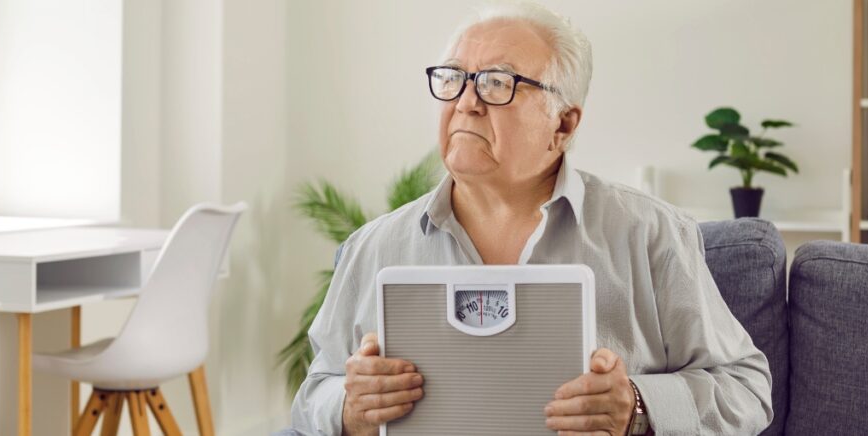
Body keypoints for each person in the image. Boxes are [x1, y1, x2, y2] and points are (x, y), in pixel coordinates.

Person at [290, 2, 773, 435]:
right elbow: (313, 395)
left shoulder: (651, 235)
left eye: (498, 82)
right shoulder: (372, 246)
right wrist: (351, 409)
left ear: (563, 124)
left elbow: (747, 389)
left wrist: (638, 406)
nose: (466, 101)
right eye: (454, 78)